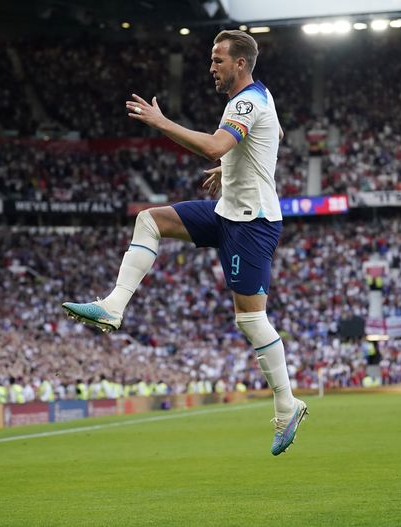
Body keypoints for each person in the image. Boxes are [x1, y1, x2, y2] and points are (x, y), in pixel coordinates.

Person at [62, 30, 307, 456]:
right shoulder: (257, 98)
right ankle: (113, 307)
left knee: (250, 321)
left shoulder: (247, 101)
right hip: (228, 210)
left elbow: (214, 145)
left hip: (252, 222)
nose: (211, 67)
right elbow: (276, 136)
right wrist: (232, 166)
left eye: (218, 60)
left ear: (240, 64)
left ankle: (287, 404)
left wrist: (161, 123)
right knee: (150, 220)